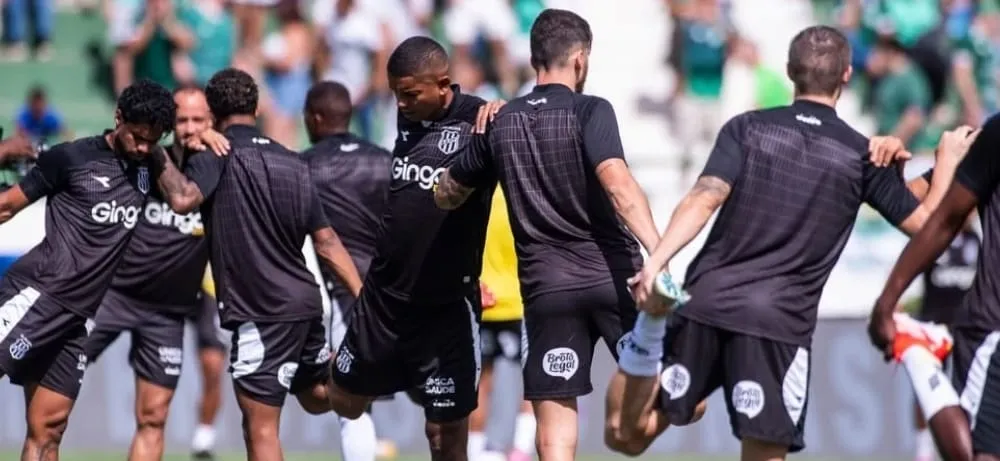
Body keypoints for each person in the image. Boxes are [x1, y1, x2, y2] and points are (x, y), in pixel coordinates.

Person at [610, 25, 971, 461]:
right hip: (776, 325)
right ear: (847, 76)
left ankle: (650, 328)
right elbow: (929, 228)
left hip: (706, 304)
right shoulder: (859, 155)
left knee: (626, 437)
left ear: (789, 72)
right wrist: (946, 163)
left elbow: (703, 197)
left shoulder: (746, 127)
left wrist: (658, 260)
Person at [434, 9, 660, 461]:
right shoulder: (591, 109)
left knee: (555, 432)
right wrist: (660, 253)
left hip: (546, 291)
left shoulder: (499, 121)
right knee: (683, 397)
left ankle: (623, 427)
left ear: (535, 57)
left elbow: (446, 194)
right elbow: (617, 183)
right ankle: (625, 426)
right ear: (580, 60)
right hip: (613, 279)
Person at [150, 68, 364, 460]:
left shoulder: (213, 153)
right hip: (304, 303)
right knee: (316, 396)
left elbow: (181, 200)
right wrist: (364, 298)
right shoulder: (294, 161)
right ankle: (363, 377)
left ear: (212, 113)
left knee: (259, 427)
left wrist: (153, 147)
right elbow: (327, 241)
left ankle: (365, 376)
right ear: (258, 107)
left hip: (261, 310)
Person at [326, 36, 502, 461]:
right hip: (383, 299)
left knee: (444, 437)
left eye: (409, 94)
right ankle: (405, 373)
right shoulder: (408, 117)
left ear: (443, 85)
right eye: (395, 94)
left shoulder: (482, 121)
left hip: (445, 306)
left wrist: (505, 112)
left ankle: (419, 375)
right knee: (343, 400)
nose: (400, 103)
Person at [0, 79, 175, 460]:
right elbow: (6, 207)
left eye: (153, 141)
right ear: (118, 119)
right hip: (38, 295)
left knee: (50, 429)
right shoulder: (72, 158)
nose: (144, 147)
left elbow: (184, 196)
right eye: (138, 138)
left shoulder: (150, 167)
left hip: (77, 318)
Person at [82, 85, 223, 461]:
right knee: (55, 389)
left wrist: (223, 139)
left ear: (212, 123)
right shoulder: (141, 155)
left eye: (199, 120)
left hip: (167, 313)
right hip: (112, 296)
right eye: (182, 120)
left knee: (153, 417)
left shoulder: (220, 163)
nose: (190, 128)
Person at [868, 119, 1000, 461]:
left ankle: (917, 353)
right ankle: (918, 353)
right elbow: (939, 219)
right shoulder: (995, 136)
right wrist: (888, 302)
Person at [301, 80, 392, 461]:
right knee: (437, 396)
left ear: (316, 118)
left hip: (342, 295)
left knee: (349, 403)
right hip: (391, 294)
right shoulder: (385, 159)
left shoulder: (304, 165)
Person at [468, 186, 536, 461]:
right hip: (519, 302)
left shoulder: (477, 196)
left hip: (483, 301)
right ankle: (520, 450)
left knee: (480, 383)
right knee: (532, 381)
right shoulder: (522, 195)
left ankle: (476, 452)